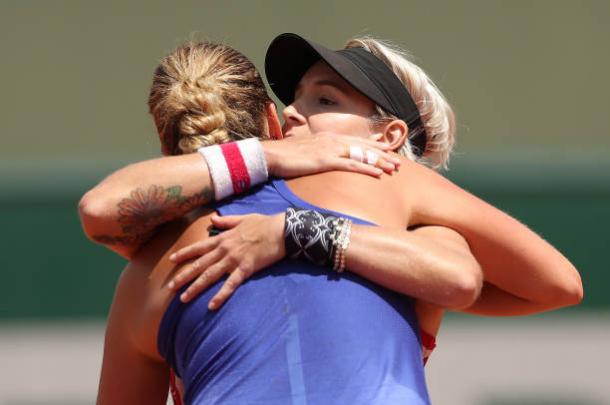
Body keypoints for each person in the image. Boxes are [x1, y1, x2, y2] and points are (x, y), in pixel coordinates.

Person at [83, 35, 582, 404]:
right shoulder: (399, 221)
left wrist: (297, 232)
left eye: (324, 100)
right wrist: (272, 164)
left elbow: (512, 282)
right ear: (269, 126)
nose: (296, 113)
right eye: (293, 99)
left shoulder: (392, 181)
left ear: (386, 139)